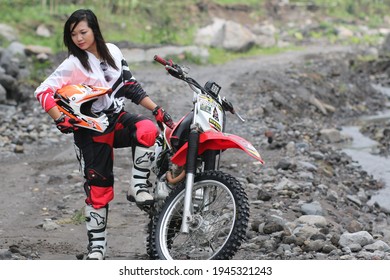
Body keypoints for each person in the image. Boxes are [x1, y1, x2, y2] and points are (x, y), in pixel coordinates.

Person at [34, 9, 174, 260]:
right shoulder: (73, 64)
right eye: (73, 34)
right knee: (99, 188)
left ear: (94, 30)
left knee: (147, 129)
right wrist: (60, 119)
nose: (79, 38)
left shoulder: (114, 52)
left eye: (83, 32)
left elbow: (129, 86)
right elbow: (43, 91)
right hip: (89, 130)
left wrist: (157, 110)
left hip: (115, 119)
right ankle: (97, 250)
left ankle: (137, 185)